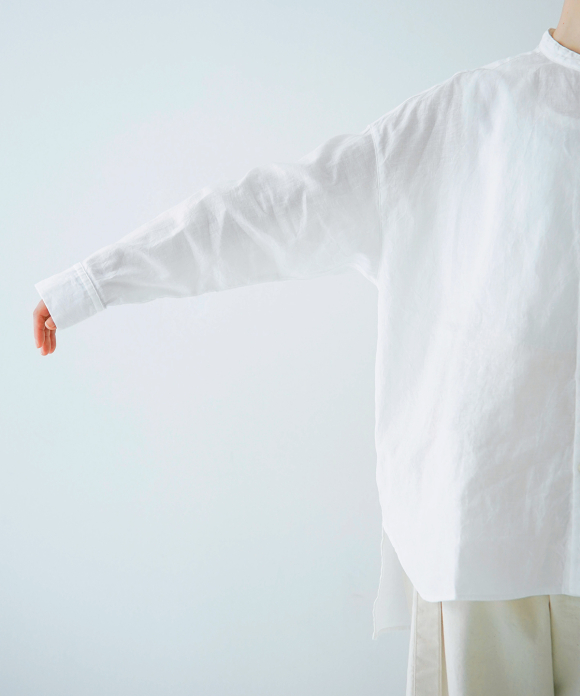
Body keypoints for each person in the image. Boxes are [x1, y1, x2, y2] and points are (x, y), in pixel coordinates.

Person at [33, 2, 580, 693]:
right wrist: (96, 281)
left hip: (485, 536)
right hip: (489, 549)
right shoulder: (469, 116)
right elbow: (279, 210)